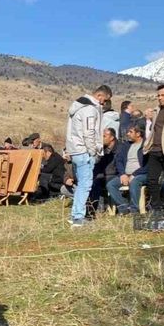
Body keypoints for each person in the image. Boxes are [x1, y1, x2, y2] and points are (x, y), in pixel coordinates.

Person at [65, 84, 112, 226]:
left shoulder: (77, 108)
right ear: (100, 96)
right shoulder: (90, 109)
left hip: (75, 150)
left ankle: (76, 214)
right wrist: (93, 151)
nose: (104, 103)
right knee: (85, 185)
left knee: (81, 185)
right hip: (84, 151)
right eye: (104, 100)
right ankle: (78, 218)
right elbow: (89, 133)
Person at [106, 124, 148, 213]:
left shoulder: (146, 145)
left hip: (142, 174)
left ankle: (134, 209)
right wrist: (122, 174)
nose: (128, 134)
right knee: (110, 185)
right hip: (126, 174)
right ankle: (124, 206)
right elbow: (119, 160)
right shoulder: (126, 145)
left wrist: (134, 174)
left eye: (130, 132)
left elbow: (148, 165)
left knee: (135, 181)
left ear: (138, 134)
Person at [91, 127, 118, 211]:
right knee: (93, 180)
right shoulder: (103, 148)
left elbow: (117, 165)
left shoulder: (119, 148)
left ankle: (96, 207)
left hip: (115, 174)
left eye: (104, 136)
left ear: (112, 137)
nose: (102, 139)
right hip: (104, 173)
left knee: (97, 180)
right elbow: (98, 165)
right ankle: (94, 206)